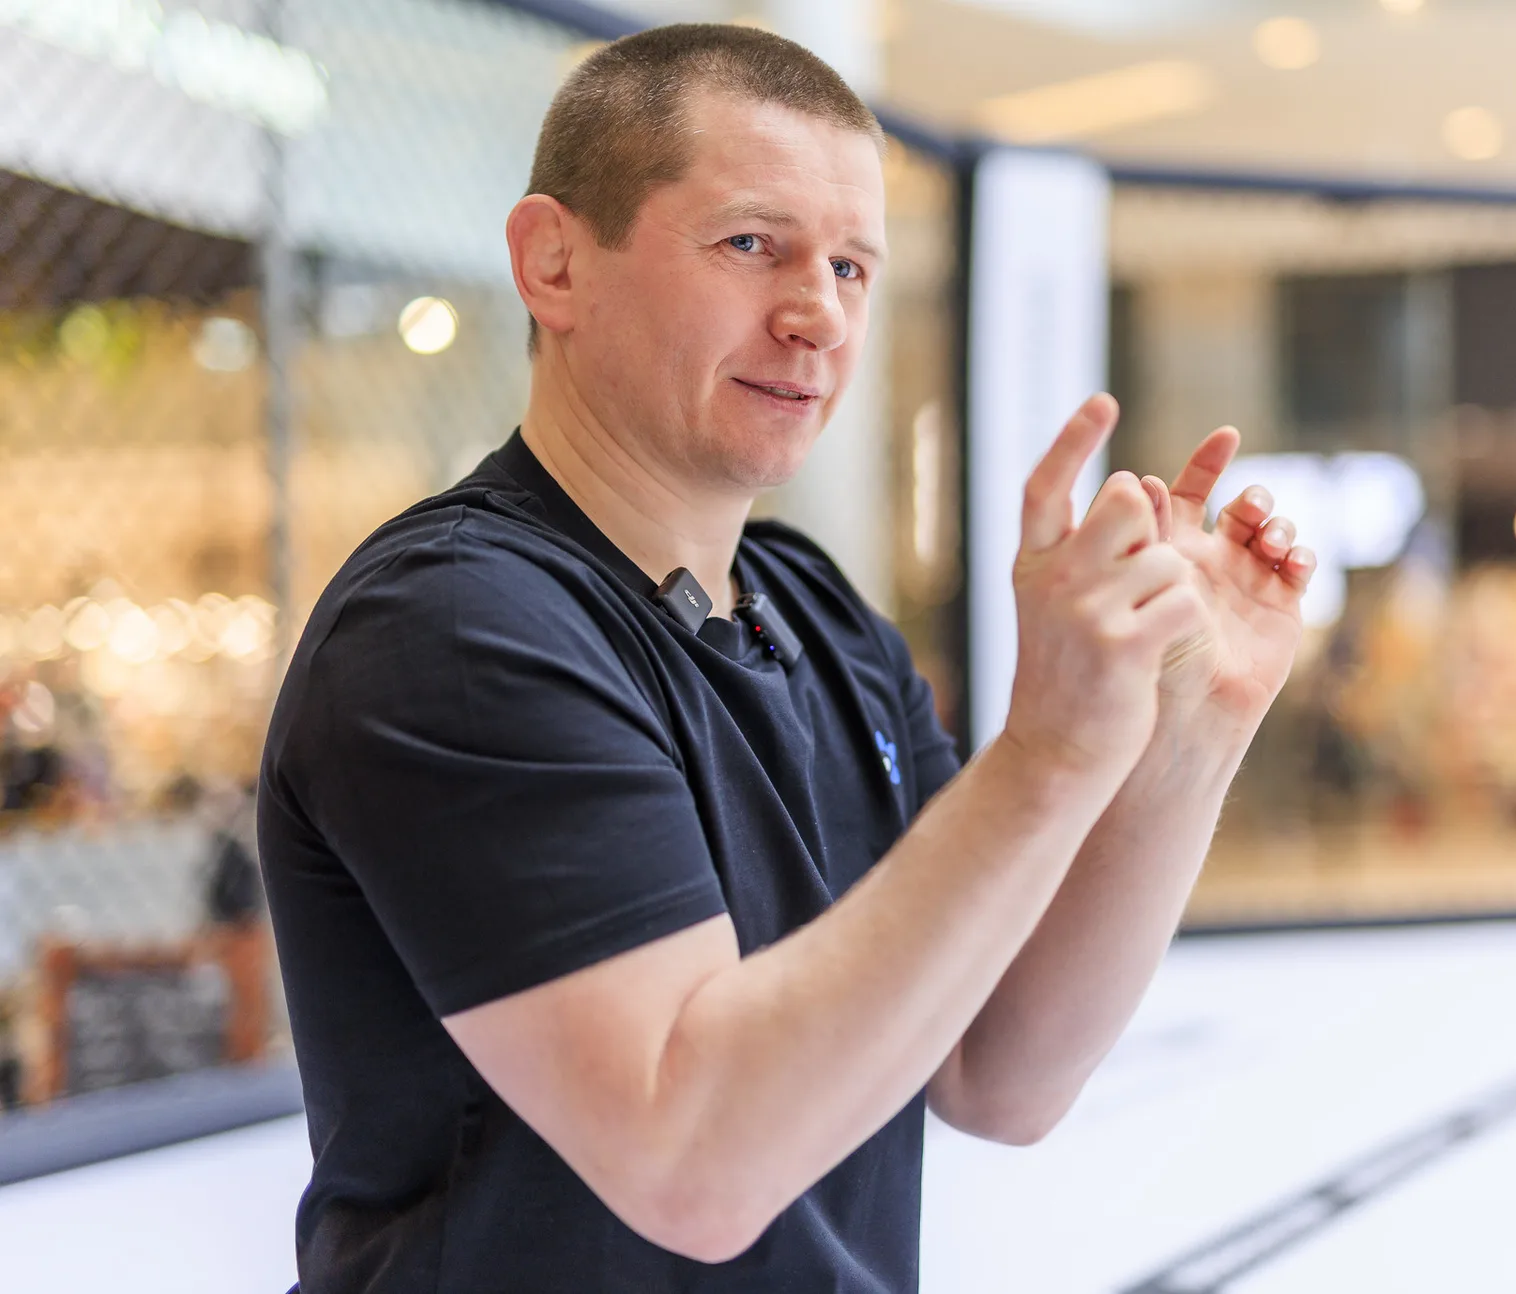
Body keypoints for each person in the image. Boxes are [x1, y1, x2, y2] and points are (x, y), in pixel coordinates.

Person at [256, 22, 1315, 1294]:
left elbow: (1002, 1069)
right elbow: (691, 1163)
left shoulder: (816, 615)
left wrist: (1193, 722)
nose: (819, 315)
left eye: (853, 266)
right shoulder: (456, 625)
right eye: (752, 244)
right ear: (553, 263)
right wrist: (1047, 749)